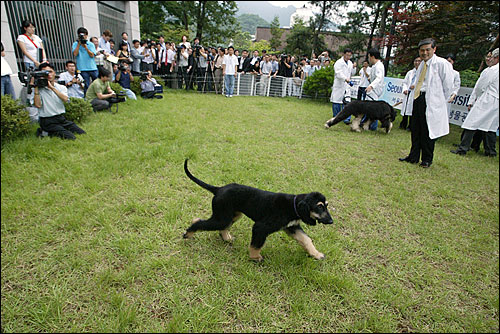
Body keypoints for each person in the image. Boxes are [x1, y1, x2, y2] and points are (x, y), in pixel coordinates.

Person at [399, 38, 455, 168]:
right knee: (415, 128)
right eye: (422, 50)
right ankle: (413, 157)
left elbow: (448, 85)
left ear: (434, 49)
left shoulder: (442, 64)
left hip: (431, 101)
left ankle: (426, 159)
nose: (424, 53)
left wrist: (439, 100)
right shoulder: (421, 65)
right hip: (418, 98)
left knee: (427, 130)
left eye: (427, 50)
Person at [451, 48, 499, 157]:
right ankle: (490, 151)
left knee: (472, 122)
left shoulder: (493, 70)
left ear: (497, 58)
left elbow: (481, 86)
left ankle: (463, 148)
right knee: (490, 126)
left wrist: (476, 98)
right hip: (496, 101)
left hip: (488, 98)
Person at [32, 63, 85, 140]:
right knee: (70, 137)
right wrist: (35, 87)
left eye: (50, 72)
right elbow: (38, 105)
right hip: (47, 120)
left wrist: (52, 88)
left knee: (81, 132)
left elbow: (65, 99)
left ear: (54, 73)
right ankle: (44, 131)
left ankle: (48, 132)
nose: (48, 74)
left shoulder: (61, 87)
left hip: (60, 118)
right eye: (45, 73)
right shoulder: (38, 90)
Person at [330, 48, 356, 124]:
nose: (348, 57)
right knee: (336, 101)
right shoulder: (338, 62)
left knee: (347, 102)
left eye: (350, 55)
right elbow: (338, 73)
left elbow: (352, 73)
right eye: (347, 55)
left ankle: (347, 119)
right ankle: (336, 117)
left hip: (346, 86)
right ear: (344, 54)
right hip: (339, 84)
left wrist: (354, 67)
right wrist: (346, 79)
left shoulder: (350, 63)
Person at [362, 48, 385, 131]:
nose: (368, 59)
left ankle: (373, 126)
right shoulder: (374, 66)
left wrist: (371, 86)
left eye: (369, 57)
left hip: (375, 90)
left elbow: (379, 78)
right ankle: (365, 124)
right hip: (372, 90)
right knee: (369, 108)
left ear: (372, 57)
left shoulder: (379, 66)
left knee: (373, 108)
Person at [72, 27, 98, 95]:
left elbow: (92, 55)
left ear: (86, 35)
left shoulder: (91, 44)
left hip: (92, 67)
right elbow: (75, 54)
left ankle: (97, 95)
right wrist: (79, 44)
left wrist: (86, 47)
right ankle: (87, 98)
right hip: (82, 68)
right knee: (86, 85)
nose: (83, 37)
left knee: (96, 83)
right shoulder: (75, 44)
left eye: (84, 35)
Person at [400, 56, 422, 130]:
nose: (417, 63)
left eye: (419, 61)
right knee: (406, 108)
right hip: (408, 92)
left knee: (413, 110)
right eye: (416, 61)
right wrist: (405, 89)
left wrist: (415, 86)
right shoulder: (410, 72)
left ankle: (411, 126)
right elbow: (405, 82)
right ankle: (403, 124)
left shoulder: (422, 73)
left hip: (415, 93)